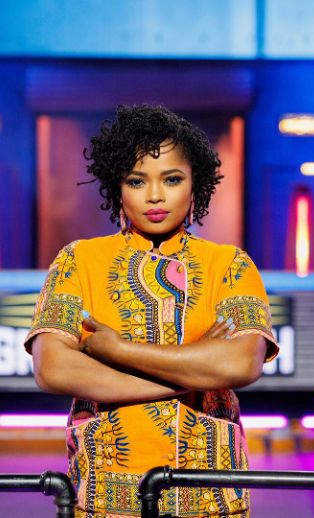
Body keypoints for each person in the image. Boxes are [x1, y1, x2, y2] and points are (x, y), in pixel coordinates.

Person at [25, 104, 278, 517]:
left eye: (172, 179)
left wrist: (117, 351)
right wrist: (194, 368)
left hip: (211, 499)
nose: (155, 195)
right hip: (103, 499)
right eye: (137, 181)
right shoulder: (78, 260)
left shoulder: (229, 264)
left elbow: (241, 363)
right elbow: (52, 368)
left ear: (196, 183)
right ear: (117, 187)